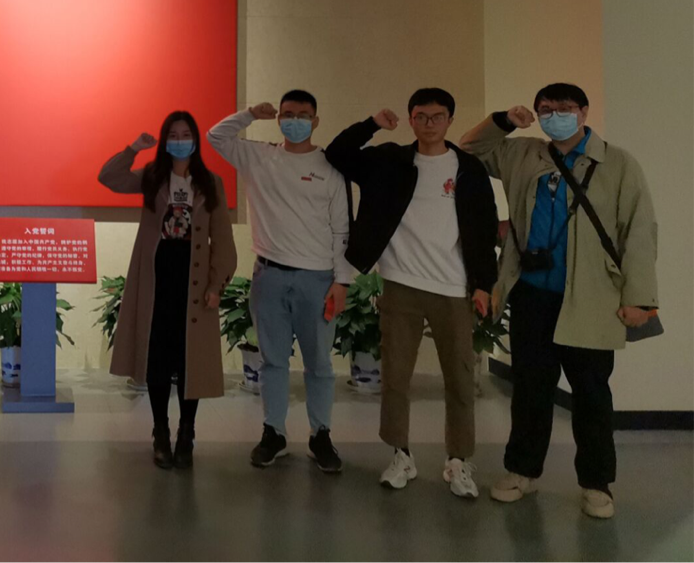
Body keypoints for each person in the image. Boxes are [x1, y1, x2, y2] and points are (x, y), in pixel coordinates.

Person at [460, 83, 658, 520]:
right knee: (530, 389)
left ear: (584, 112)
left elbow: (639, 230)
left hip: (592, 296)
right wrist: (505, 121)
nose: (555, 116)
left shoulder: (617, 163)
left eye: (564, 108)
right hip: (532, 293)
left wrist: (640, 297)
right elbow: (470, 150)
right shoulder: (523, 153)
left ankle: (596, 484)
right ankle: (522, 471)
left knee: (591, 394)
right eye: (546, 109)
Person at [325, 88, 497, 498]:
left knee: (460, 378)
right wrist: (371, 124)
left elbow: (484, 226)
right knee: (396, 379)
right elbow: (337, 154)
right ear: (411, 119)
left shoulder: (468, 169)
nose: (429, 124)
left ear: (450, 120)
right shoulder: (389, 161)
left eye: (437, 116)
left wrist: (484, 284)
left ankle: (458, 461)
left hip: (453, 288)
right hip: (400, 285)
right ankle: (401, 455)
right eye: (421, 116)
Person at [208, 91, 352, 473]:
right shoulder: (259, 157)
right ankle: (274, 432)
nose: (295, 121)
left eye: (303, 115)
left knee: (319, 364)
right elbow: (215, 137)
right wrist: (249, 114)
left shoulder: (330, 167)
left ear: (315, 121)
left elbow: (342, 231)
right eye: (288, 114)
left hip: (318, 279)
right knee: (272, 361)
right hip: (269, 276)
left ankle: (321, 435)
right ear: (278, 119)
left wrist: (343, 282)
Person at [99, 111, 237, 470]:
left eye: (185, 134)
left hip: (194, 277)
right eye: (172, 135)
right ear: (164, 141)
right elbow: (109, 177)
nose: (179, 141)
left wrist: (217, 284)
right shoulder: (153, 176)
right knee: (157, 356)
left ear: (195, 139)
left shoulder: (211, 182)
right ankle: (160, 430)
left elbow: (222, 237)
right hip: (156, 277)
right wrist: (133, 148)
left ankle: (186, 432)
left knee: (190, 358)